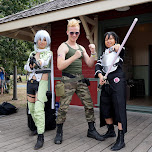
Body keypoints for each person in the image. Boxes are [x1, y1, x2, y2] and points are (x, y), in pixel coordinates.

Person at [54, 18, 105, 144]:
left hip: (81, 80)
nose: (74, 35)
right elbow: (60, 66)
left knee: (89, 105)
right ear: (67, 32)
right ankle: (59, 132)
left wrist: (93, 52)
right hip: (67, 80)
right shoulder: (63, 47)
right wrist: (74, 57)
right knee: (63, 108)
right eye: (72, 33)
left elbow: (89, 63)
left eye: (77, 33)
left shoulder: (81, 47)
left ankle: (91, 130)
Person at [95, 31, 127, 151]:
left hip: (118, 82)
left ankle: (121, 138)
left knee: (119, 109)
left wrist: (118, 47)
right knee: (105, 108)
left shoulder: (118, 51)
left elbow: (121, 49)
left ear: (115, 40)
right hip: (106, 83)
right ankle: (110, 130)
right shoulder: (103, 55)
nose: (109, 41)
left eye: (111, 39)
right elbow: (98, 66)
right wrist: (100, 76)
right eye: (106, 39)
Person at [24, 30, 52, 150]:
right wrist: (30, 65)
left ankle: (41, 136)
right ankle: (37, 127)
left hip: (42, 82)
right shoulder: (32, 53)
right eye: (40, 39)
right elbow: (26, 67)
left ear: (47, 41)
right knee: (31, 108)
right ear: (36, 40)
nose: (42, 42)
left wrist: (38, 62)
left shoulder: (48, 52)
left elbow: (44, 63)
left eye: (45, 39)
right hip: (31, 81)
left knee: (38, 108)